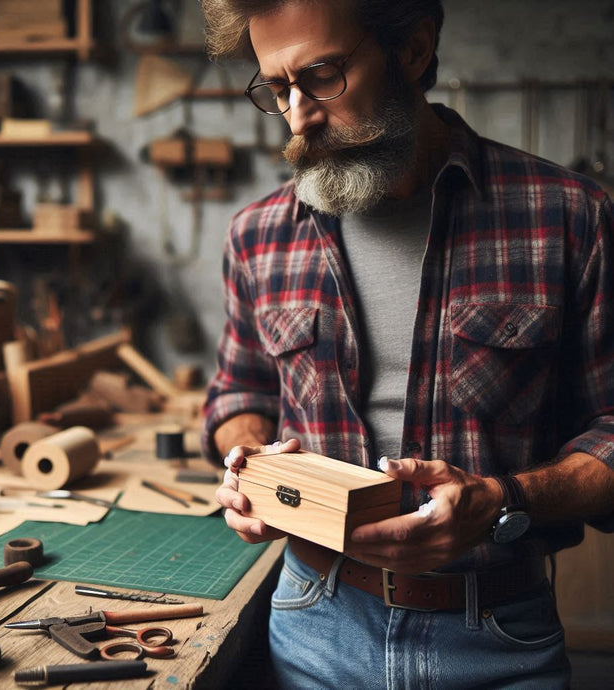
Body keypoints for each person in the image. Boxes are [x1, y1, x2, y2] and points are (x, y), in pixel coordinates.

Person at [200, 1, 614, 687]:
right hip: (311, 623)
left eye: (322, 76)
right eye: (278, 89)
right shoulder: (257, 235)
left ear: (415, 49)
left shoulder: (571, 218)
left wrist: (502, 498)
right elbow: (239, 394)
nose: (298, 115)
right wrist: (247, 468)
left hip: (499, 633)